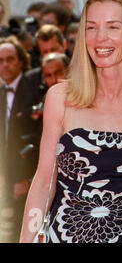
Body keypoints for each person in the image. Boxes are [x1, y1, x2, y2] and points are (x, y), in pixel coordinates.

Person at [19, 0, 122, 243]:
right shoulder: (61, 97)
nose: (100, 38)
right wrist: (27, 238)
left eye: (112, 27)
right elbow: (44, 180)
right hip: (64, 235)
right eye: (91, 27)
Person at [0, 36, 41, 242]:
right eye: (0, 60)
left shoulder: (33, 87)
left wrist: (28, 178)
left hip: (28, 177)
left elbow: (40, 136)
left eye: (10, 59)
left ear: (21, 60)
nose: (5, 65)